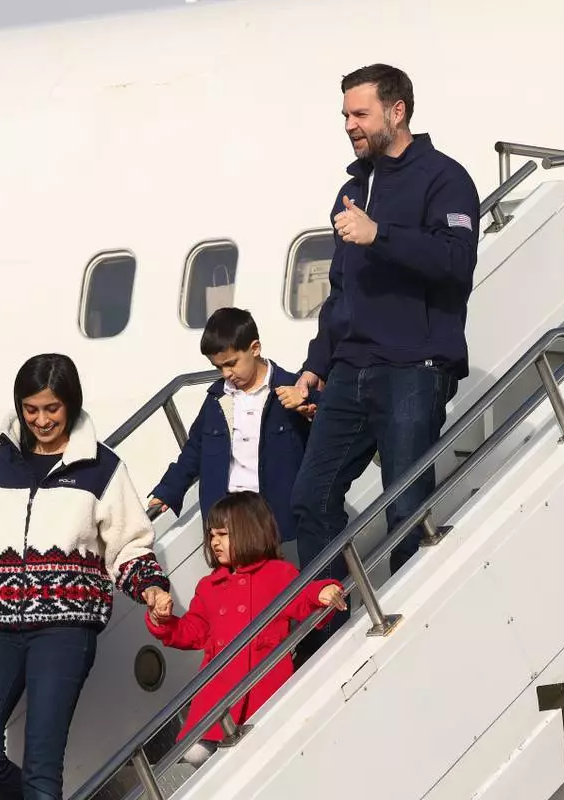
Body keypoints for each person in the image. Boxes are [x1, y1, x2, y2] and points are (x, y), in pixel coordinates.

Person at [277, 64, 479, 651]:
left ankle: (411, 638)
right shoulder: (350, 189)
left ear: (397, 111)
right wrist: (318, 359)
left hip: (414, 367)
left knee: (406, 501)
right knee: (308, 497)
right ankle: (330, 629)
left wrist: (379, 234)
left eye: (359, 114)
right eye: (345, 115)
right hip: (350, 369)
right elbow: (342, 292)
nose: (349, 125)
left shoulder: (444, 179)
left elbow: (455, 262)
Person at [0, 353, 173, 800]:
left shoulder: (101, 467)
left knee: (42, 766)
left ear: (70, 404)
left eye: (51, 409)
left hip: (65, 631)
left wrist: (149, 585)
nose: (41, 420)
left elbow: (128, 542)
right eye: (31, 409)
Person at [145, 491, 346, 767]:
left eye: (222, 534)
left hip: (263, 689)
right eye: (211, 535)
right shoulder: (209, 586)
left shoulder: (277, 573)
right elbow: (194, 630)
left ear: (249, 532)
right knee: (196, 752)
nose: (214, 542)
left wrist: (321, 591)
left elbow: (301, 596)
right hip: (218, 697)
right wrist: (164, 620)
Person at [148, 306, 317, 544]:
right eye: (219, 367)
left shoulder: (290, 388)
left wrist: (309, 406)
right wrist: (168, 490)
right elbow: (195, 448)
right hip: (228, 518)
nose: (227, 373)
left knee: (280, 578)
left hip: (276, 517)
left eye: (231, 363)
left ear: (255, 348)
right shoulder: (218, 399)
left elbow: (327, 431)